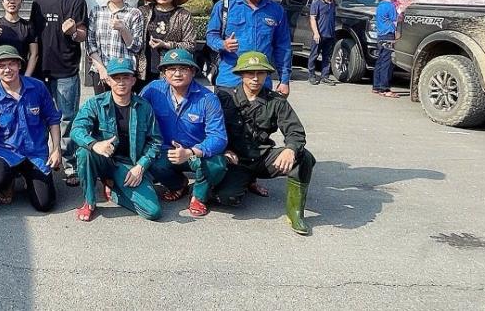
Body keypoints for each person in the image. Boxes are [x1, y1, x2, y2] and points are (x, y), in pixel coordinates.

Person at [213, 52, 316, 236]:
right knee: (227, 198)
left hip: (263, 158)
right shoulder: (225, 98)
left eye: (260, 73)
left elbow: (295, 131)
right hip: (236, 161)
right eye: (250, 73)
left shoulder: (275, 101)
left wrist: (290, 149)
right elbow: (211, 130)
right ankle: (245, 182)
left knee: (304, 157)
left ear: (266, 74)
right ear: (241, 74)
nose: (255, 78)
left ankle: (295, 213)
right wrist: (224, 150)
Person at [0, 45, 62, 212]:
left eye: (11, 64)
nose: (7, 69)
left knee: (44, 204)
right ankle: (8, 182)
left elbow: (53, 119)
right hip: (7, 154)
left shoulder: (38, 88)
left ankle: (30, 178)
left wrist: (56, 149)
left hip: (35, 154)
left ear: (19, 65)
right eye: (1, 66)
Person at [68, 57, 164, 222]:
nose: (121, 82)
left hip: (129, 164)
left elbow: (155, 141)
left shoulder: (144, 107)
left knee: (153, 211)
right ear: (108, 80)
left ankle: (114, 191)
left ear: (133, 80)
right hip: (104, 160)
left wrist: (141, 166)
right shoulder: (95, 103)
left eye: (125, 77)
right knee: (84, 152)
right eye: (116, 78)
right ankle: (89, 202)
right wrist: (95, 144)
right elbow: (76, 129)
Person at [139, 49, 228, 218]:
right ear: (164, 73)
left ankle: (198, 196)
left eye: (183, 68)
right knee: (152, 161)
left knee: (217, 165)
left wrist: (191, 152)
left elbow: (219, 137)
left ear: (193, 71)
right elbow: (136, 112)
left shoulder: (208, 99)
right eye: (171, 69)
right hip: (166, 151)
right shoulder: (153, 90)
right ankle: (178, 185)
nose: (177, 73)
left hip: (196, 153)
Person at [29, 0, 88, 186]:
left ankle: (70, 165)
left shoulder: (76, 1)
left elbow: (83, 35)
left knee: (67, 119)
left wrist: (73, 31)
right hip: (41, 70)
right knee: (40, 118)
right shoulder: (38, 2)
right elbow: (33, 37)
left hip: (66, 69)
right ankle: (44, 159)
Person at [206, 0, 292, 97]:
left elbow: (283, 47)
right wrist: (223, 44)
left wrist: (284, 80)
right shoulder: (224, 6)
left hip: (260, 82)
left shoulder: (276, 11)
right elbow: (211, 36)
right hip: (229, 80)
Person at [85, 0, 146, 94]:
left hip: (124, 72)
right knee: (102, 105)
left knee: (124, 105)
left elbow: (136, 47)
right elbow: (90, 44)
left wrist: (123, 29)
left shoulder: (134, 13)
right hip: (101, 71)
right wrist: (101, 69)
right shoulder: (96, 12)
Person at [138, 0, 200, 86]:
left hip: (171, 71)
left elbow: (191, 45)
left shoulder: (183, 15)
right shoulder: (143, 12)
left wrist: (166, 44)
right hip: (143, 71)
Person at [308, 0, 339, 86]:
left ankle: (325, 77)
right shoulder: (317, 3)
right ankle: (311, 76)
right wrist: (316, 33)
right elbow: (312, 18)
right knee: (314, 55)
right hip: (319, 34)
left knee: (327, 57)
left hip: (329, 35)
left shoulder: (333, 3)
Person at [372, 0, 400, 98]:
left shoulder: (380, 6)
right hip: (388, 35)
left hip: (380, 36)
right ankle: (385, 88)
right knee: (387, 63)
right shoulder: (390, 6)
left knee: (380, 61)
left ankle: (376, 86)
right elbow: (395, 20)